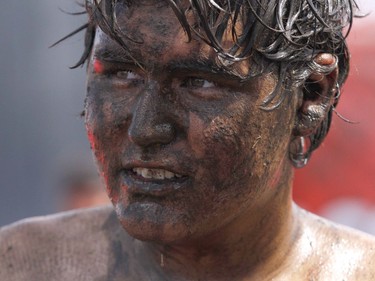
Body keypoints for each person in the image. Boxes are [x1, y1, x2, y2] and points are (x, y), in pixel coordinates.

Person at [1, 0, 375, 280]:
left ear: (312, 95)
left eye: (200, 82)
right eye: (121, 74)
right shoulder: (21, 266)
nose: (145, 129)